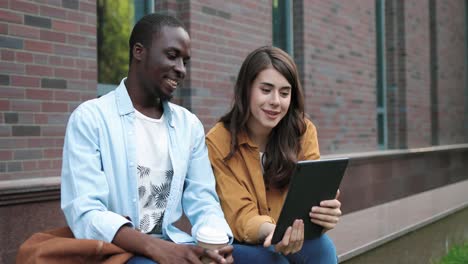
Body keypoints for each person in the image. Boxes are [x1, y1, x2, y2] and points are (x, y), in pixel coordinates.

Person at [60, 13, 233, 264]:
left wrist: (218, 245)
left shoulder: (189, 126)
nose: (181, 70)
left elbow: (203, 199)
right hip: (116, 251)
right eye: (172, 56)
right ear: (139, 52)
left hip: (174, 244)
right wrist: (155, 248)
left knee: (267, 259)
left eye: (185, 61)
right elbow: (86, 211)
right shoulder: (90, 118)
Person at [206, 46, 342, 263]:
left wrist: (325, 216)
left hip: (291, 234)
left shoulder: (303, 132)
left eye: (284, 93)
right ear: (246, 89)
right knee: (273, 260)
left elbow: (310, 201)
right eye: (266, 90)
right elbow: (240, 215)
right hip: (241, 242)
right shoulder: (219, 140)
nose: (276, 101)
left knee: (323, 247)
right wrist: (275, 231)